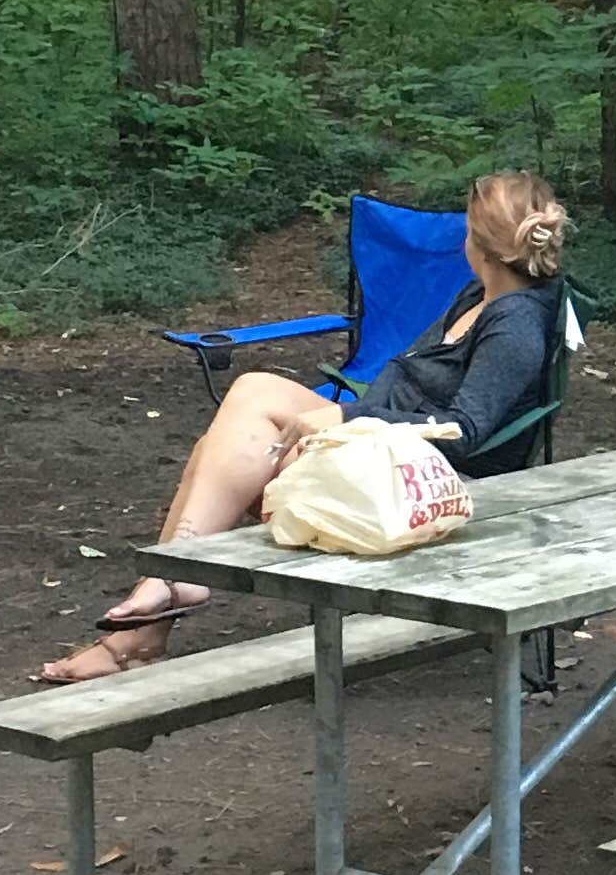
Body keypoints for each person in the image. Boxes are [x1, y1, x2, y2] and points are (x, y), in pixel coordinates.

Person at [37, 171, 572, 683]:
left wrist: (349, 415)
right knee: (250, 396)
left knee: (228, 446)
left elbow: (466, 430)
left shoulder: (516, 323)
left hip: (424, 481)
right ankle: (165, 594)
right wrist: (352, 419)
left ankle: (156, 607)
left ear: (476, 243)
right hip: (382, 447)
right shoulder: (484, 295)